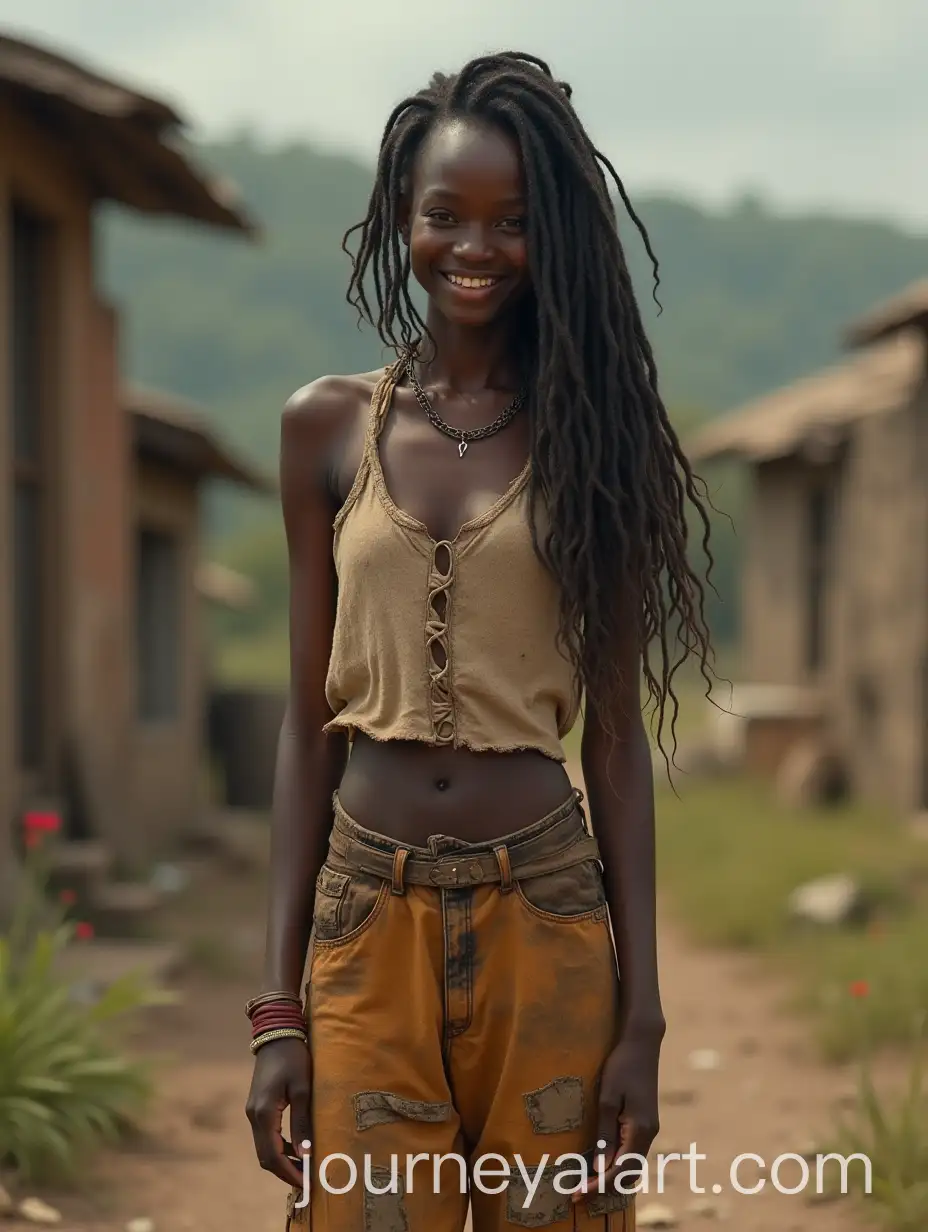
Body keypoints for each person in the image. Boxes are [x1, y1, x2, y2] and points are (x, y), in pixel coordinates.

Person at [245, 50, 715, 1231]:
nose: (475, 246)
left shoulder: (593, 438)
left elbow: (615, 741)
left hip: (545, 915)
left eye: (512, 221)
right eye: (446, 214)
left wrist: (643, 1021)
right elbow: (307, 726)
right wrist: (275, 1010)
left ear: (552, 235)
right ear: (402, 219)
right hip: (366, 917)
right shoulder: (323, 429)